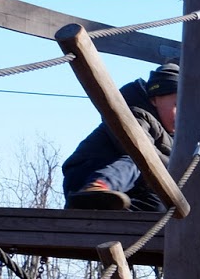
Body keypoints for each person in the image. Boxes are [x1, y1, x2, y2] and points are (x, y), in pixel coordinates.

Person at [62, 61, 179, 210]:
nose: (181, 115)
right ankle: (97, 186)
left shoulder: (172, 138)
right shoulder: (135, 114)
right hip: (86, 172)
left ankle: (122, 213)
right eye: (176, 105)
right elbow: (139, 152)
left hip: (125, 187)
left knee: (162, 202)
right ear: (154, 99)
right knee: (142, 158)